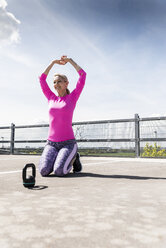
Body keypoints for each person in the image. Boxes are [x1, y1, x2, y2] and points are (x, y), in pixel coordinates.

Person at [38, 56, 86, 177]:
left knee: (59, 171)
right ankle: (60, 158)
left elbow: (83, 75)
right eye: (54, 82)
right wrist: (53, 63)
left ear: (66, 83)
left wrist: (70, 61)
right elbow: (42, 79)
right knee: (44, 171)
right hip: (51, 143)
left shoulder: (72, 97)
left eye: (59, 81)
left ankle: (74, 158)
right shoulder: (50, 97)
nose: (56, 84)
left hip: (68, 143)